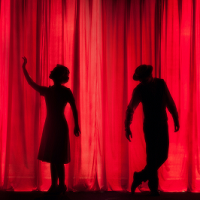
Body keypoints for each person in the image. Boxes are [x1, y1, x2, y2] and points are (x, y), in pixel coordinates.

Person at [22, 57, 80, 194]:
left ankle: (61, 186)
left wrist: (77, 125)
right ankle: (55, 185)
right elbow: (31, 83)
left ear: (59, 76)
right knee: (53, 158)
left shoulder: (64, 91)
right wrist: (24, 68)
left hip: (58, 126)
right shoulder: (50, 91)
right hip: (51, 125)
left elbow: (74, 108)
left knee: (57, 158)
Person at [125, 65, 179, 196]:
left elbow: (169, 102)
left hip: (162, 123)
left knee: (162, 155)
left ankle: (140, 176)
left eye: (144, 78)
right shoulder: (139, 89)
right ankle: (153, 187)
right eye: (141, 79)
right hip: (150, 125)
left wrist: (175, 117)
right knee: (152, 157)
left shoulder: (161, 83)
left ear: (149, 75)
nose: (142, 81)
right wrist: (127, 126)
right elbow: (131, 108)